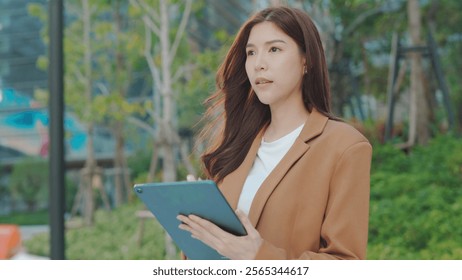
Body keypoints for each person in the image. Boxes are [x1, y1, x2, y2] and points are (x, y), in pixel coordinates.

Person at [177, 6, 372, 260]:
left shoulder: (345, 146)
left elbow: (347, 263)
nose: (259, 64)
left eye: (274, 49)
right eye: (251, 52)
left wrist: (259, 256)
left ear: (306, 60)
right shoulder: (237, 143)